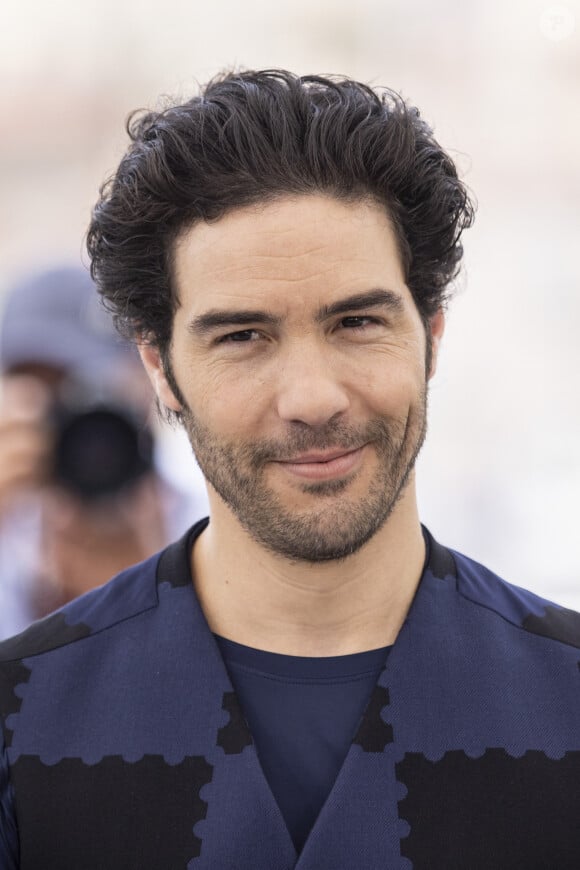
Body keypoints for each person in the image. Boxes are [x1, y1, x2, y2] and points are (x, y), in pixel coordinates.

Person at [0, 70, 579, 869]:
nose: (311, 399)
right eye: (242, 336)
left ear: (432, 335)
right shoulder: (16, 720)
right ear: (160, 369)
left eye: (356, 321)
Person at [0, 266, 207, 639]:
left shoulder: (210, 515)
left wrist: (158, 584)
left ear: (149, 374)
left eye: (82, 388)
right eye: (37, 394)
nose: (64, 417)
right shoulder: (11, 530)